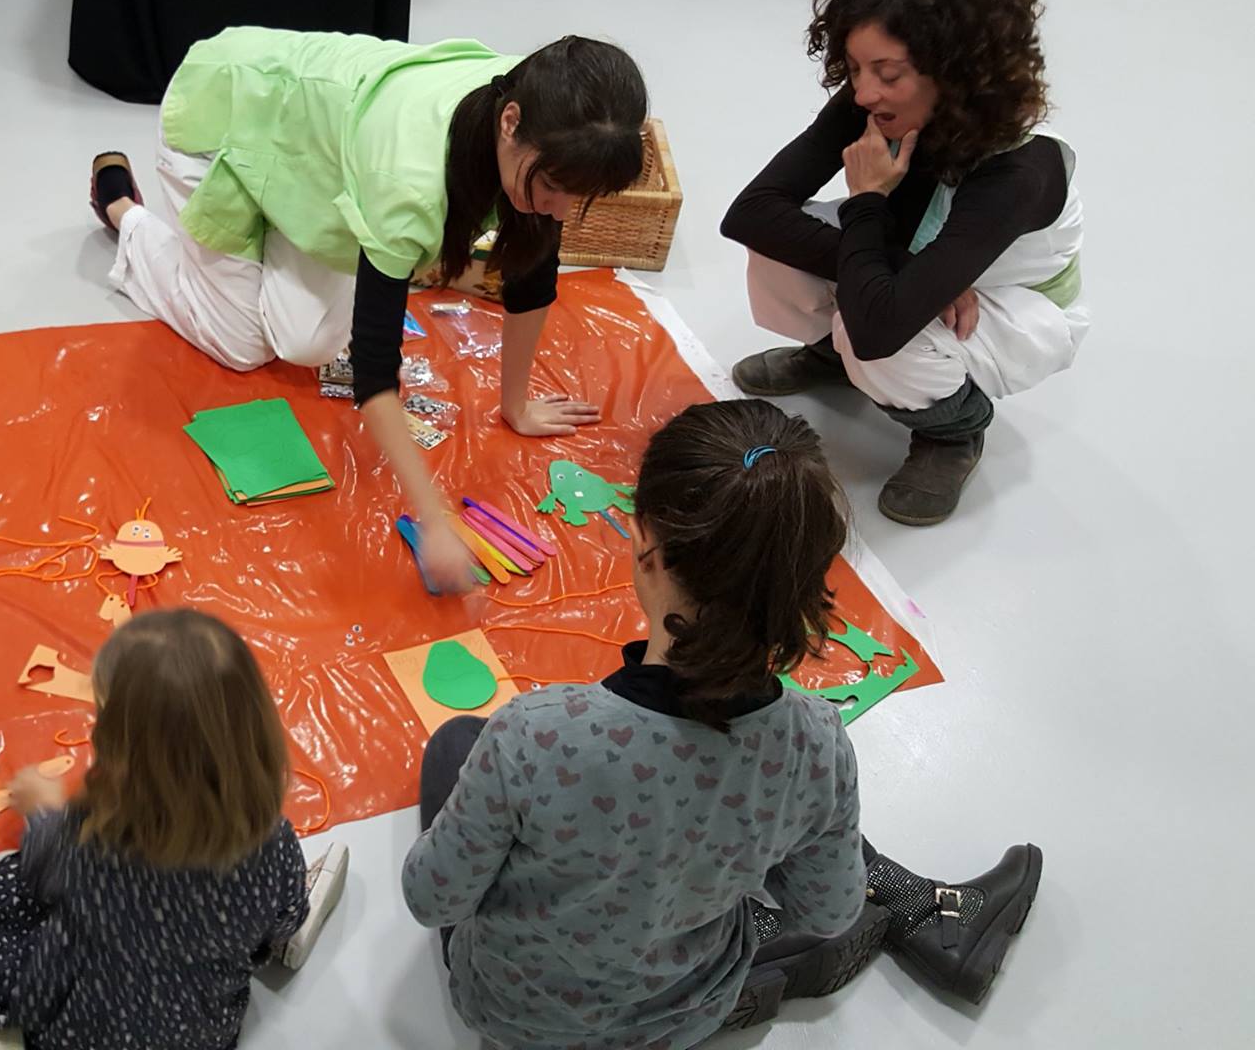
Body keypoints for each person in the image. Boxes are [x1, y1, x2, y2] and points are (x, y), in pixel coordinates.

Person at [402, 400, 1044, 1049]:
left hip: (517, 1018)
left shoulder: (535, 735)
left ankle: (851, 935)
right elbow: (826, 910)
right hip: (687, 1006)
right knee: (772, 811)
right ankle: (914, 915)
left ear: (645, 547)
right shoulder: (815, 741)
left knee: (455, 741)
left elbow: (432, 900)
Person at [88, 29, 648, 593]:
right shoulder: (409, 185)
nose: (560, 209)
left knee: (306, 342)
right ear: (510, 123)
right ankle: (123, 211)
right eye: (552, 187)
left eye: (577, 197)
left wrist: (516, 406)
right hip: (221, 116)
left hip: (306, 156)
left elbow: (532, 277)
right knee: (241, 345)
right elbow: (375, 372)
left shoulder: (549, 109)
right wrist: (434, 521)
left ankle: (252, 234)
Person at [722, 0, 1084, 526]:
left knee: (878, 341)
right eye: (855, 68)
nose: (864, 92)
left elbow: (879, 330)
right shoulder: (874, 99)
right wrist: (904, 268)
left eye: (888, 73)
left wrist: (867, 201)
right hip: (920, 263)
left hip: (1006, 302)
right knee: (784, 252)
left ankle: (955, 430)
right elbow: (751, 212)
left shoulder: (1020, 170)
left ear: (957, 71)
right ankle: (835, 357)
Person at [0, 608, 349, 1050]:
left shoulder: (93, 842)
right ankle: (287, 944)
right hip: (204, 1036)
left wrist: (42, 811)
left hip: (80, 1036)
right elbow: (284, 912)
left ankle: (9, 1034)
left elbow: (44, 879)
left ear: (121, 755)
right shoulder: (272, 841)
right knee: (275, 916)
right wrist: (277, 928)